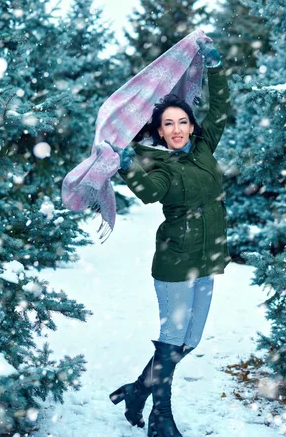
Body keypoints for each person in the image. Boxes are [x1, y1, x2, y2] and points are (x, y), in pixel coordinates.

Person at [107, 38, 230, 437]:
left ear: (192, 125)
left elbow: (222, 108)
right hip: (176, 262)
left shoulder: (205, 148)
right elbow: (150, 193)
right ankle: (161, 417)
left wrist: (215, 70)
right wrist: (126, 165)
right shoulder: (157, 163)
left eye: (182, 122)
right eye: (168, 124)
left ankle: (137, 390)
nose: (176, 130)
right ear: (159, 131)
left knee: (188, 342)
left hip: (209, 258)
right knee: (172, 340)